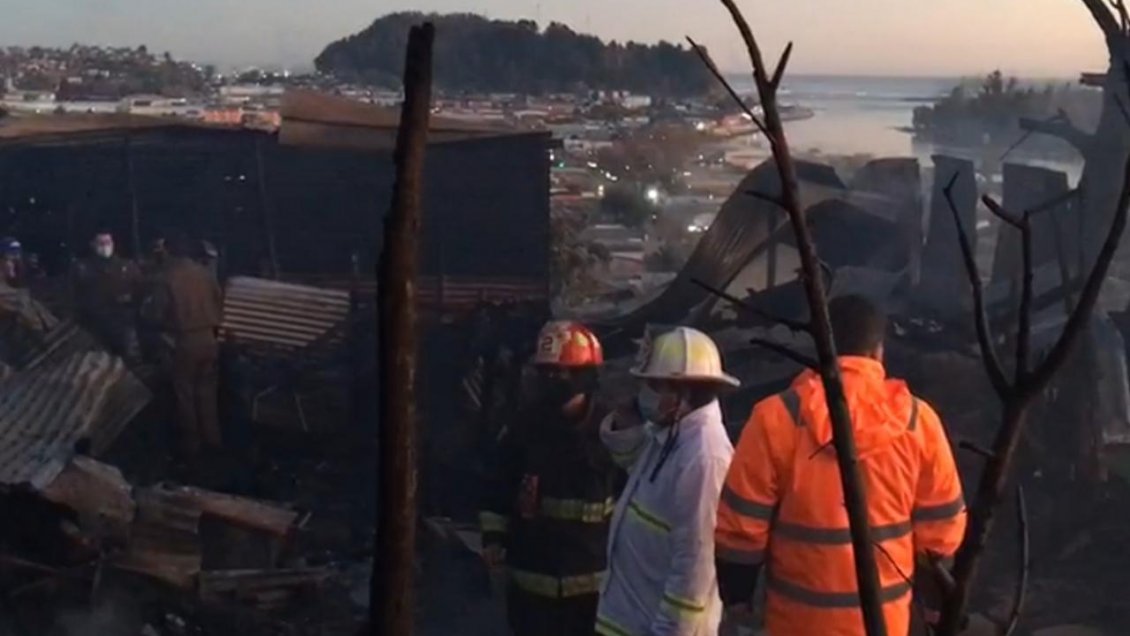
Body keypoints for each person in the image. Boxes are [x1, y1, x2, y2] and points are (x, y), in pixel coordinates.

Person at [715, 294, 967, 636]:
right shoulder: (917, 421)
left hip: (797, 625)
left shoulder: (776, 418)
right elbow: (941, 530)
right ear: (878, 351)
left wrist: (737, 596)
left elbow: (740, 528)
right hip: (885, 624)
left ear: (816, 345)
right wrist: (933, 601)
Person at [479, 321, 618, 636]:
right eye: (546, 373)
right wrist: (494, 538)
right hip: (531, 588)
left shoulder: (612, 432)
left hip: (593, 592)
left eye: (560, 373)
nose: (551, 381)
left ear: (584, 375)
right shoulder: (523, 428)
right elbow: (497, 486)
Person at [596, 326, 738, 636]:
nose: (645, 394)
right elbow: (632, 462)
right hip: (629, 621)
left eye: (654, 386)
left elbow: (694, 571)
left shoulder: (704, 458)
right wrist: (625, 417)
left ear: (683, 391)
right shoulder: (672, 435)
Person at [145, 231, 224, 465]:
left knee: (184, 394)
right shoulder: (205, 274)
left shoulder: (166, 278)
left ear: (169, 251)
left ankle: (192, 447)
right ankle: (213, 441)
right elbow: (219, 301)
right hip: (209, 339)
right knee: (207, 392)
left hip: (183, 341)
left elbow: (155, 314)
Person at [71, 231, 143, 361]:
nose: (105, 246)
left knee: (127, 358)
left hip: (123, 323)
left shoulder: (127, 266)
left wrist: (130, 300)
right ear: (92, 244)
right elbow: (75, 296)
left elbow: (140, 290)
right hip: (96, 326)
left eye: (108, 242)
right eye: (101, 243)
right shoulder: (82, 268)